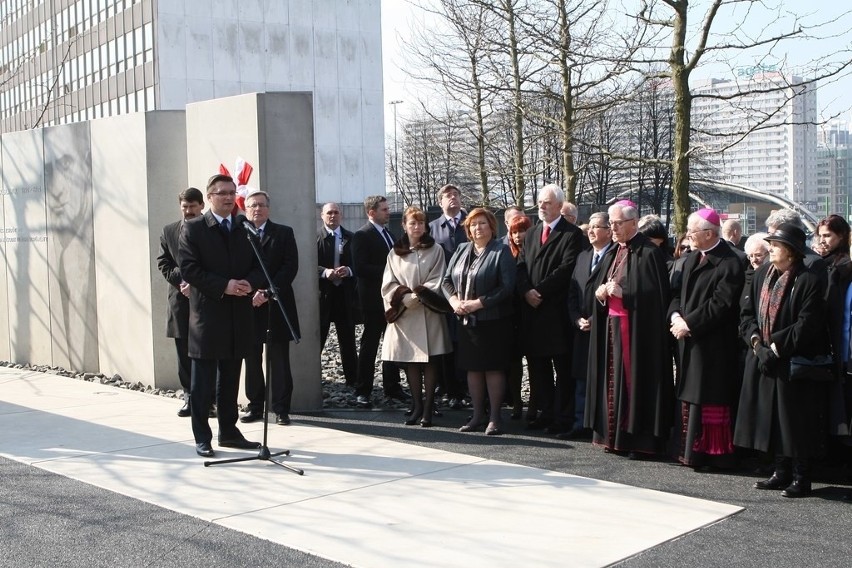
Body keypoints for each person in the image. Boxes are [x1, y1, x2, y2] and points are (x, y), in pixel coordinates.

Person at [735, 224, 831, 498]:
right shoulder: (763, 273)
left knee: (794, 421)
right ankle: (780, 471)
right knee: (772, 419)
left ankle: (801, 476)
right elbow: (747, 313)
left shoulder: (808, 279)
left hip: (791, 360)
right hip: (763, 357)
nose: (770, 249)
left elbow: (807, 324)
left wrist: (775, 348)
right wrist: (756, 343)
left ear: (790, 251)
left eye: (775, 245)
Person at [179, 174, 264, 458]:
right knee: (202, 384)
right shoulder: (194, 229)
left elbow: (259, 264)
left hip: (238, 315)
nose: (228, 197)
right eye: (221, 193)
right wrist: (224, 285)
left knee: (230, 380)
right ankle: (202, 436)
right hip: (207, 317)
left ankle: (229, 432)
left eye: (231, 192)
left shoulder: (244, 227)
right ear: (210, 197)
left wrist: (249, 283)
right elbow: (190, 270)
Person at [586, 200, 674, 458]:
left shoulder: (649, 253)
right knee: (611, 383)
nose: (612, 228)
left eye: (617, 223)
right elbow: (602, 286)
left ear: (634, 223)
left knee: (636, 384)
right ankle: (613, 437)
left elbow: (657, 296)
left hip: (638, 333)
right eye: (610, 223)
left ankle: (639, 442)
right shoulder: (614, 251)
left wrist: (626, 294)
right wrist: (600, 294)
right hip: (611, 328)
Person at [668, 209, 745, 468]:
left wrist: (689, 323)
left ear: (710, 233)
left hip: (713, 342)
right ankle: (687, 450)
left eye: (693, 231)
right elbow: (677, 293)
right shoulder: (691, 259)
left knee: (709, 394)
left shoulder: (731, 262)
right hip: (688, 337)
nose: (688, 235)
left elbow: (721, 304)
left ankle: (711, 452)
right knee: (689, 392)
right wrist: (676, 317)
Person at [516, 184, 583, 434]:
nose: (541, 207)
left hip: (555, 313)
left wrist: (539, 291)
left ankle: (563, 416)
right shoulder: (532, 233)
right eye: (540, 202)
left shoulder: (572, 235)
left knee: (562, 368)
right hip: (532, 313)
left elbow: (565, 270)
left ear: (559, 206)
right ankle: (545, 411)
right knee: (537, 367)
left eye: (547, 203)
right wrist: (525, 291)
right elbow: (520, 265)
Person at [443, 208, 516, 435]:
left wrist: (478, 303)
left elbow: (507, 287)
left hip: (491, 321)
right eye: (473, 225)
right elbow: (446, 280)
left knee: (492, 368)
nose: (478, 228)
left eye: (482, 223)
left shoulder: (501, 251)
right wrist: (454, 301)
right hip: (466, 321)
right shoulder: (462, 249)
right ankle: (476, 416)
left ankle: (494, 417)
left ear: (492, 227)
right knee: (472, 368)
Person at [382, 206, 451, 427]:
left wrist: (420, 295)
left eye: (421, 223)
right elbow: (388, 282)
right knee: (411, 361)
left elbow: (439, 278)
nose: (417, 227)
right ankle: (417, 405)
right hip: (405, 314)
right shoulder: (394, 252)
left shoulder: (436, 249)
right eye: (412, 223)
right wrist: (402, 297)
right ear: (404, 225)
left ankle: (429, 408)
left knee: (430, 361)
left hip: (428, 311)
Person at [239, 190, 300, 427]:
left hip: (277, 304)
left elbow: (289, 267)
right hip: (248, 304)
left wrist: (267, 292)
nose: (257, 209)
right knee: (251, 358)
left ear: (269, 208)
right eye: (253, 205)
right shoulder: (239, 235)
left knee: (279, 360)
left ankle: (282, 409)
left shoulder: (283, 233)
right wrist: (251, 292)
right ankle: (255, 406)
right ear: (245, 209)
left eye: (262, 205)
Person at [562, 212, 612, 440]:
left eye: (596, 227)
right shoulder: (582, 257)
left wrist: (595, 316)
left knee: (603, 378)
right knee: (581, 377)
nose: (590, 231)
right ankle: (580, 421)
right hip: (581, 328)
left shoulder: (615, 256)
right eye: (589, 227)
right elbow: (572, 292)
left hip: (604, 329)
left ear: (609, 230)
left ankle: (601, 424)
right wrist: (576, 318)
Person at [351, 196, 404, 408]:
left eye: (387, 208)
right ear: (371, 212)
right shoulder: (362, 236)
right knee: (370, 345)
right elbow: (361, 268)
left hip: (391, 300)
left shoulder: (389, 235)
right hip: (373, 301)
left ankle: (393, 388)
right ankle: (362, 390)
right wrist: (391, 273)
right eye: (383, 209)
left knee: (392, 345)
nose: (388, 212)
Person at [157, 187, 204, 417]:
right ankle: (189, 397)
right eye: (184, 207)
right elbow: (164, 263)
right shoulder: (169, 231)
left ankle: (210, 400)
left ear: (201, 206)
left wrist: (195, 284)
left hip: (207, 299)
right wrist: (182, 281)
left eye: (192, 206)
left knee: (208, 351)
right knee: (183, 351)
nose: (188, 211)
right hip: (180, 299)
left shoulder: (211, 229)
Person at [429, 184, 469, 409]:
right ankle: (448, 387)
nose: (453, 198)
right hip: (444, 293)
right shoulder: (433, 228)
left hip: (471, 291)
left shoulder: (472, 223)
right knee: (446, 341)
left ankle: (467, 388)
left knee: (467, 341)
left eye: (456, 195)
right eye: (448, 196)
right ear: (440, 202)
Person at [815, 216, 852, 443]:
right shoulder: (825, 264)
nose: (822, 241)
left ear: (842, 236)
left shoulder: (842, 266)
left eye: (827, 235)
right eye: (820, 236)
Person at [317, 202, 358, 386]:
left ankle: (353, 379)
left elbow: (359, 263)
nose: (332, 216)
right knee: (319, 336)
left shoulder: (351, 237)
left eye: (336, 212)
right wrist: (325, 272)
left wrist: (349, 270)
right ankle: (313, 378)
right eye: (329, 213)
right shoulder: (315, 237)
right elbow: (307, 263)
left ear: (341, 215)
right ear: (322, 215)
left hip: (344, 295)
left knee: (348, 338)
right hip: (323, 295)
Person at [506, 213, 532, 420]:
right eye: (514, 232)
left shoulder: (534, 252)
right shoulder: (508, 255)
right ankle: (516, 401)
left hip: (532, 313)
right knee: (513, 364)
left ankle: (536, 402)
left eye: (521, 231)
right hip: (512, 316)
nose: (517, 236)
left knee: (534, 363)